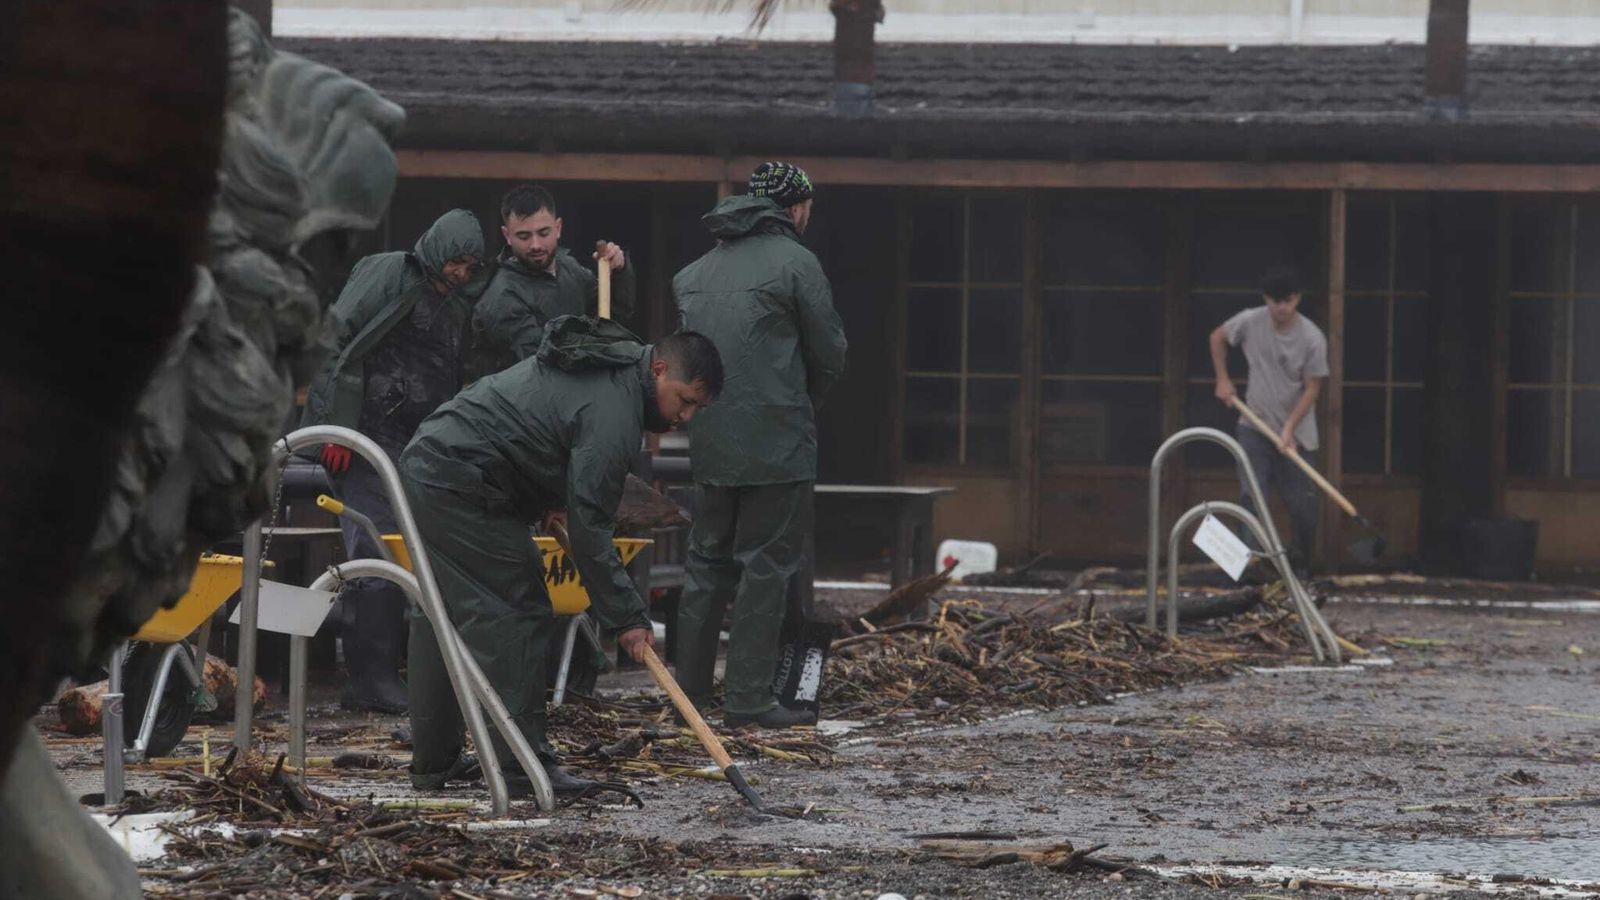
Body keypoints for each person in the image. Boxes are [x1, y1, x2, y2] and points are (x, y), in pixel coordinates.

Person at [399, 317, 723, 796]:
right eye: (685, 400)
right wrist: (627, 617)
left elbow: (544, 428)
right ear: (659, 370)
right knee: (517, 606)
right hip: (459, 476)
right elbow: (591, 530)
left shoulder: (609, 369)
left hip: (436, 460)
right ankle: (523, 768)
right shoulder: (615, 413)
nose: (686, 418)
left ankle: (435, 762)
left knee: (440, 612)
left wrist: (549, 496)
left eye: (697, 408)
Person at [671, 161, 848, 729]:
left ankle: (688, 699)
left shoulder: (693, 274)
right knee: (765, 566)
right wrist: (798, 403)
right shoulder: (797, 263)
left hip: (710, 441)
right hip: (777, 442)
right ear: (795, 208)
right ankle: (747, 700)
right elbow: (829, 353)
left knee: (706, 565)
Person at [300, 209, 485, 713]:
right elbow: (336, 339)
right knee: (376, 548)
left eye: (469, 267)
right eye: (455, 262)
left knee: (410, 552)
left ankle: (396, 671)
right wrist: (339, 427)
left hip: (415, 441)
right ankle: (370, 677)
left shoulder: (454, 303)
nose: (460, 273)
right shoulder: (391, 273)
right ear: (436, 249)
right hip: (366, 434)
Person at [1210, 266, 1328, 575]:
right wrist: (1222, 379)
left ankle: (1299, 572)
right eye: (1276, 301)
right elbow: (1217, 337)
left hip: (1297, 435)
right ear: (1266, 299)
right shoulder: (1250, 321)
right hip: (1254, 426)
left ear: (1297, 299)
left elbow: (1313, 388)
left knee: (1302, 505)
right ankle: (1248, 571)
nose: (1281, 307)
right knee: (1251, 498)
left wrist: (1288, 428)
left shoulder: (1312, 337)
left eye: (1288, 301)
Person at [467, 184, 635, 379]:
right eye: (524, 236)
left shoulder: (571, 269)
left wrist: (619, 272)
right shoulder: (501, 297)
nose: (535, 245)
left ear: (558, 228)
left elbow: (614, 318)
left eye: (543, 233)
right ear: (507, 236)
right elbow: (540, 364)